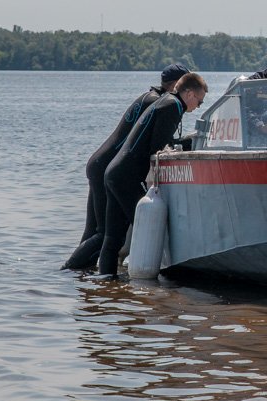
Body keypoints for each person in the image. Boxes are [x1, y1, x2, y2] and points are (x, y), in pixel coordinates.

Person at [62, 63, 190, 270]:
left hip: (101, 164)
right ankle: (69, 270)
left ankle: (83, 279)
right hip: (109, 167)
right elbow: (152, 140)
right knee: (103, 233)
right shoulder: (159, 102)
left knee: (95, 231)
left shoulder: (148, 96)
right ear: (177, 84)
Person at [93, 72, 208, 278]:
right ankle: (148, 284)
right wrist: (190, 142)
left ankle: (106, 286)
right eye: (199, 101)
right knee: (147, 228)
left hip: (114, 173)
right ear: (189, 94)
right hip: (126, 177)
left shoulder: (165, 102)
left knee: (114, 237)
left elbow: (158, 141)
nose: (198, 106)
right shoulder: (173, 106)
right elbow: (158, 148)